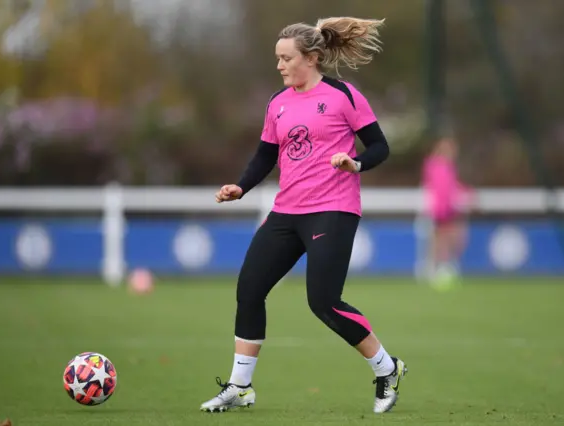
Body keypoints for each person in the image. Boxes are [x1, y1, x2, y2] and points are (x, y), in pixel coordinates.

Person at [201, 16, 407, 414]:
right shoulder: (277, 104)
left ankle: (387, 369)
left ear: (311, 58)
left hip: (333, 210)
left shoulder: (344, 95)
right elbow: (266, 155)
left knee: (324, 302)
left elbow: (380, 147)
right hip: (286, 212)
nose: (279, 66)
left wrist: (356, 164)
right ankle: (240, 387)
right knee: (249, 290)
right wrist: (241, 187)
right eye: (277, 58)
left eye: (286, 58)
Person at [421, 137, 474, 287]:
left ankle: (443, 267)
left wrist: (467, 193)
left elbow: (452, 186)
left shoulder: (448, 167)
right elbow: (439, 189)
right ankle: (439, 269)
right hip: (440, 210)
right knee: (442, 240)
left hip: (449, 209)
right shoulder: (435, 166)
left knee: (452, 240)